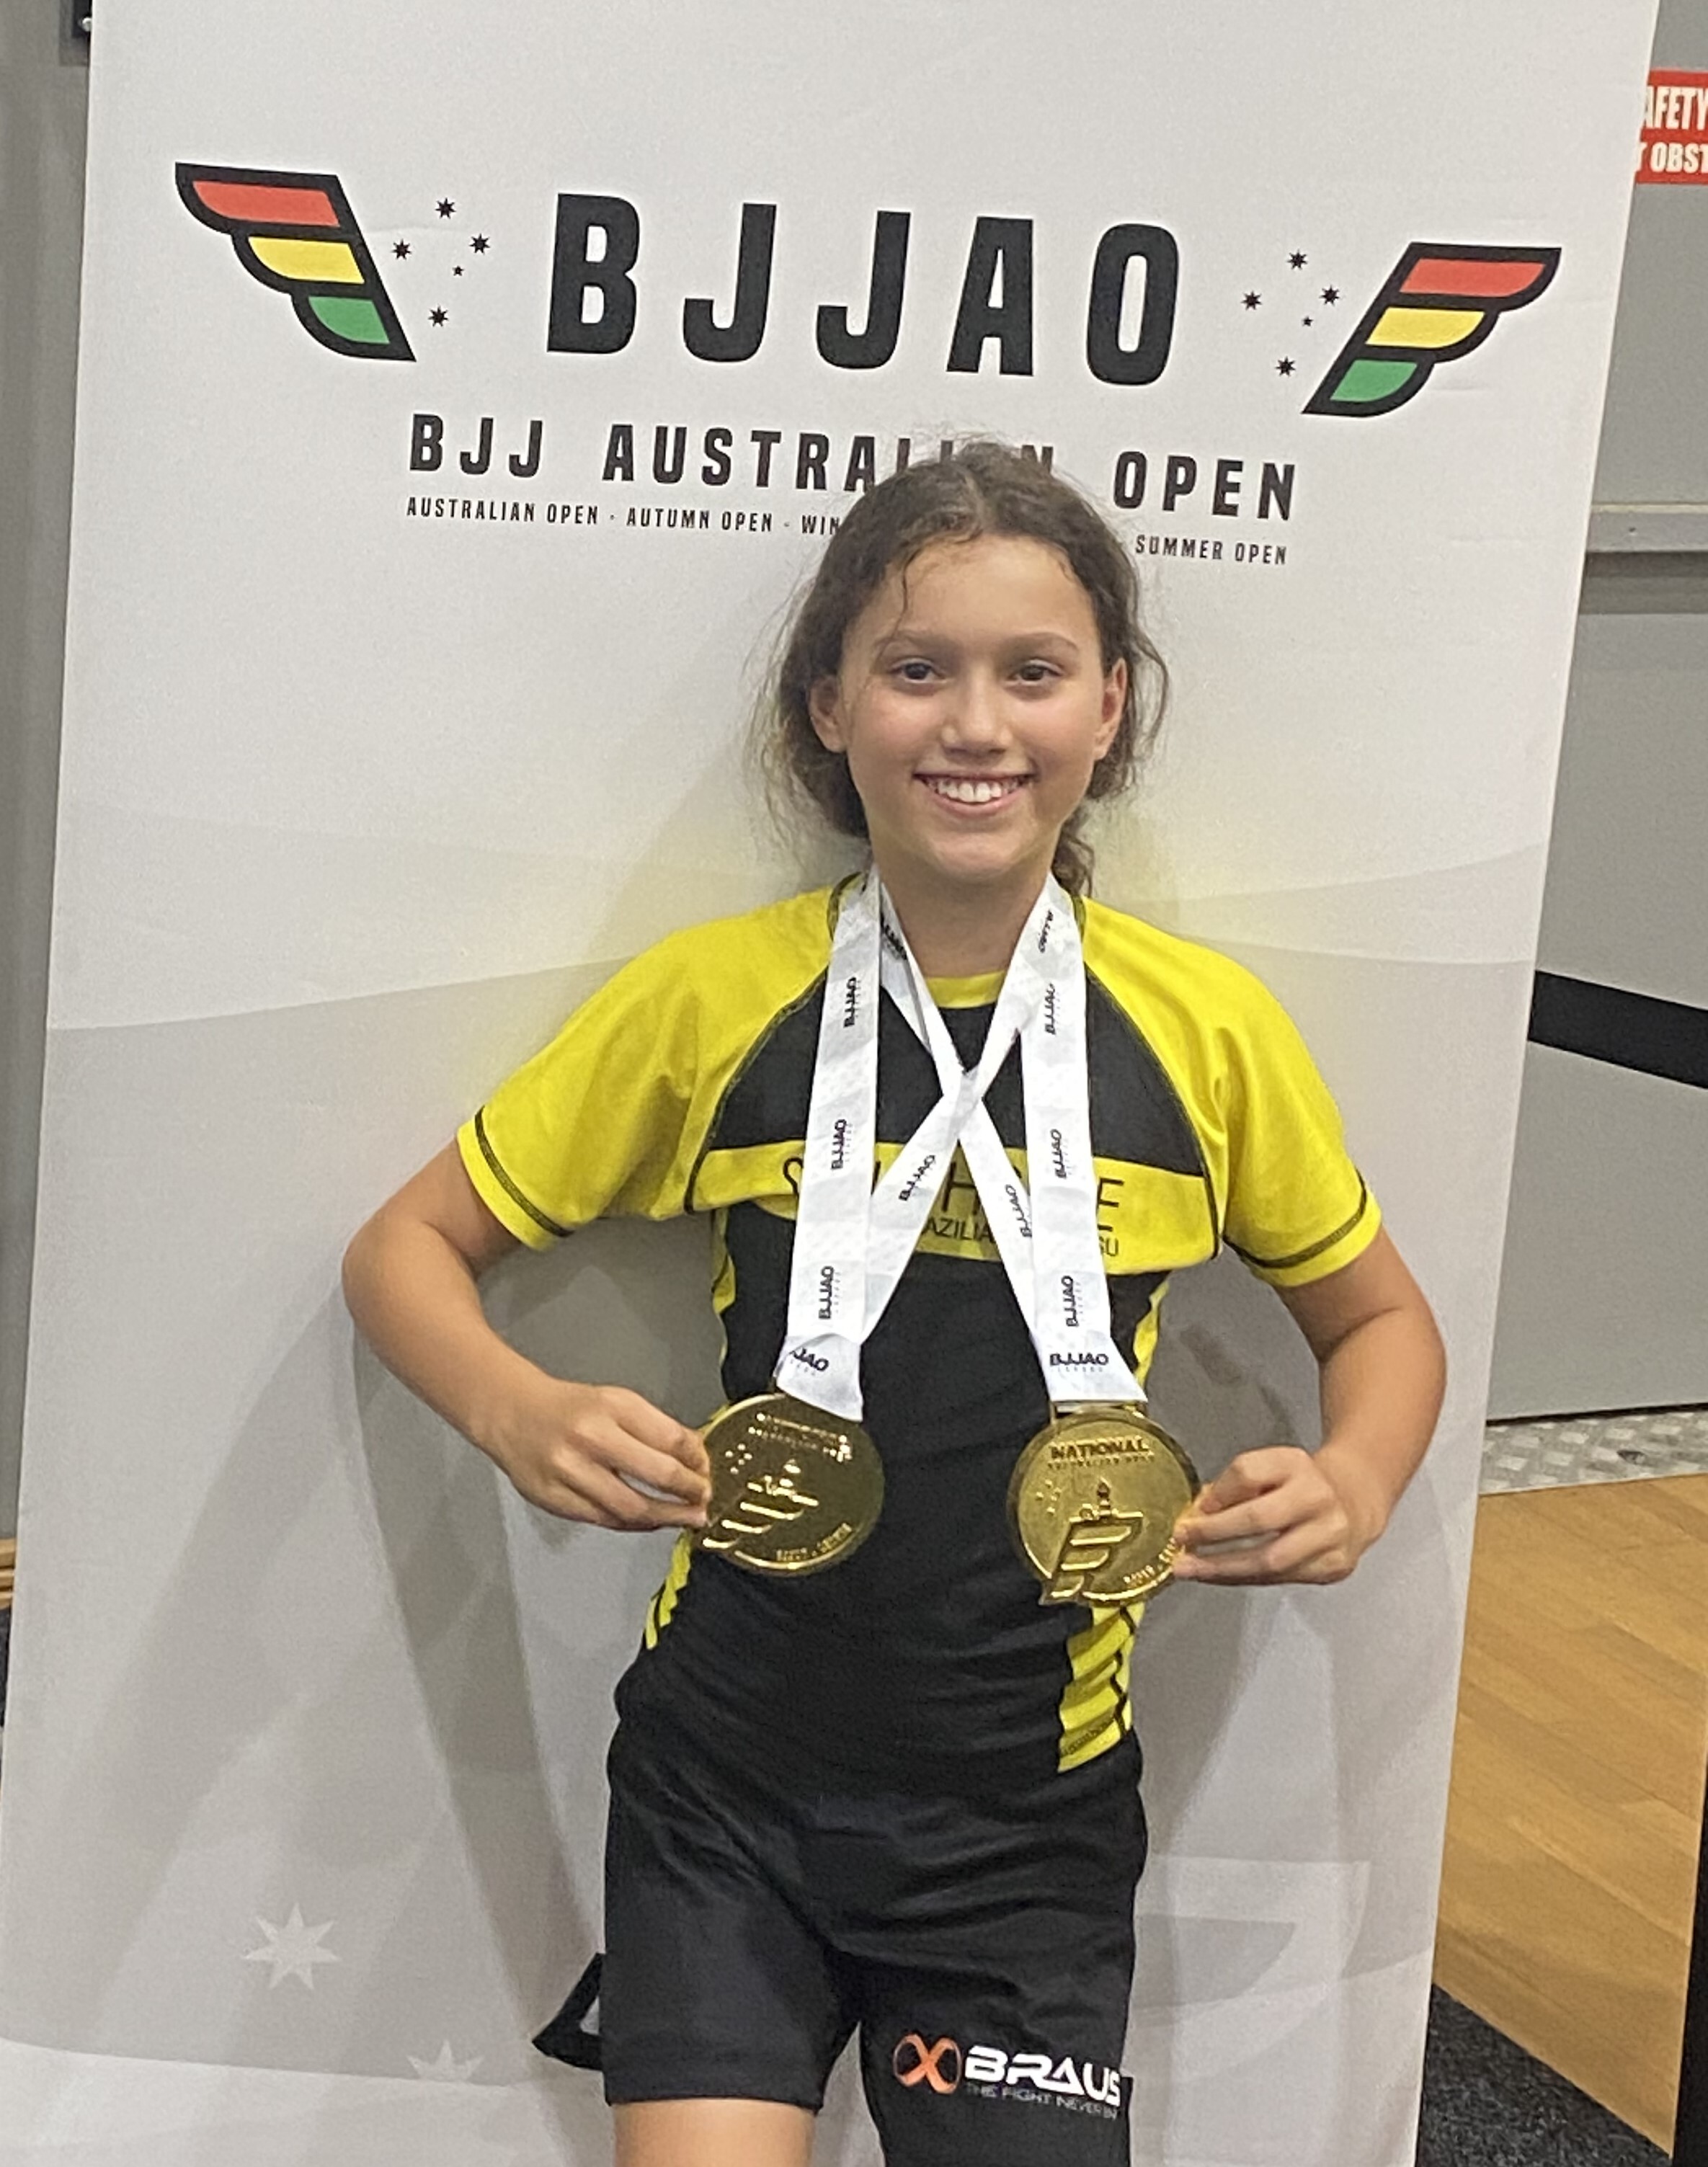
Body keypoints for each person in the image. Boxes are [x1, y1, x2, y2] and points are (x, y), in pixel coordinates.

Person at [342, 441, 1446, 2167]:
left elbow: (1383, 1324)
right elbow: (403, 1248)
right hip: (725, 1785)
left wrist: (1360, 1475)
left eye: (1034, 672)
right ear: (830, 706)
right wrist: (515, 1404)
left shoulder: (1208, 1032)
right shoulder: (713, 1000)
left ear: (1109, 710)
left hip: (1027, 1822)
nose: (976, 723)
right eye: (918, 669)